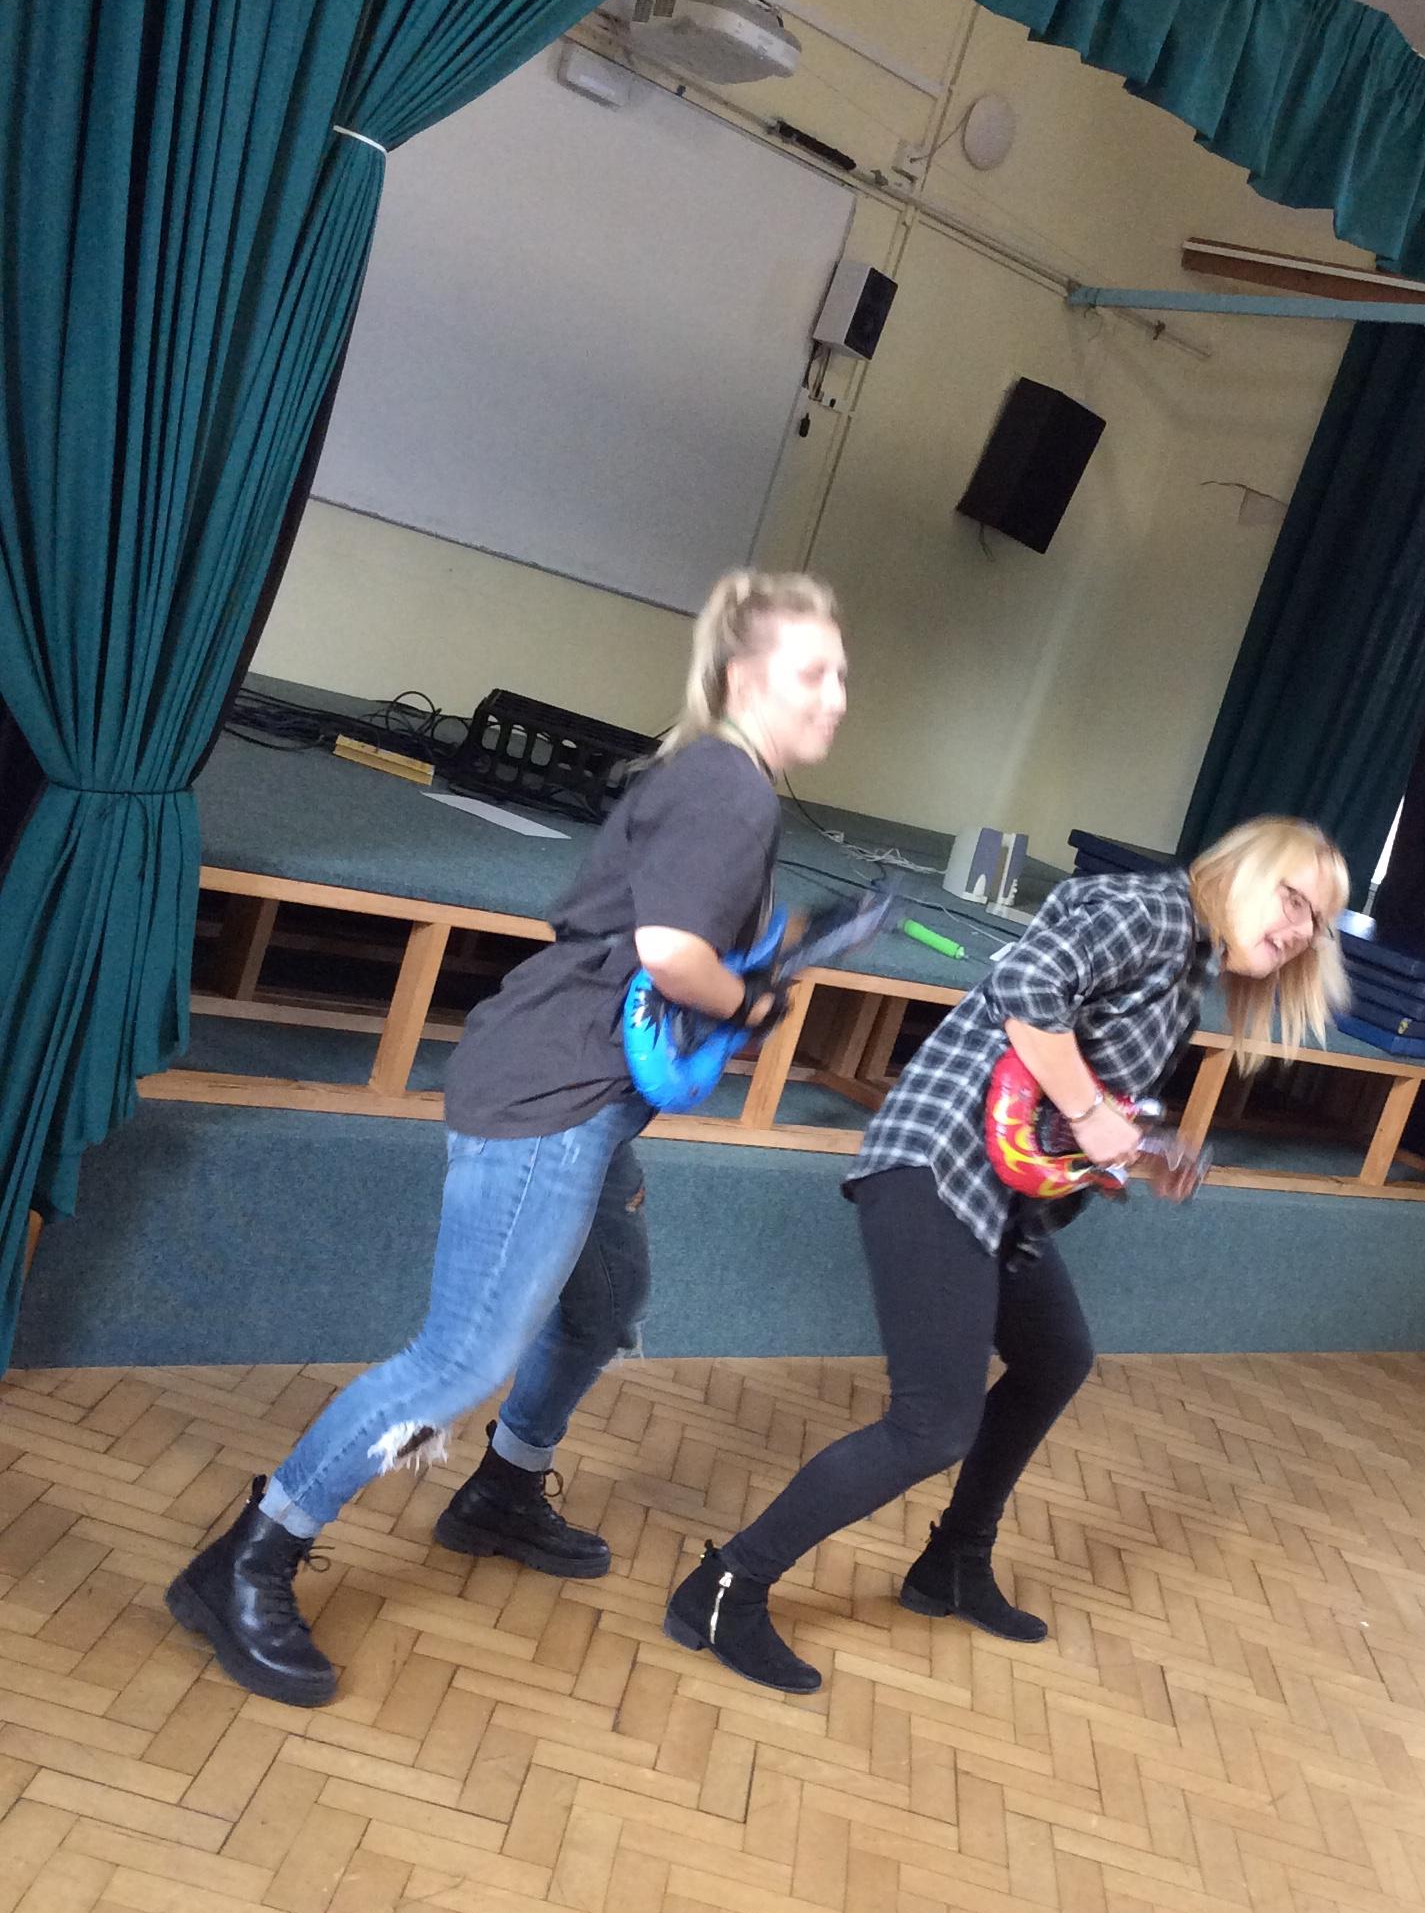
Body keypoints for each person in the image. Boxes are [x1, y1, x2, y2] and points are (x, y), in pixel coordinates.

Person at [166, 570, 848, 1708]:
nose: (835, 697)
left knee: (602, 1303)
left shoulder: (715, 779)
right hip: (553, 1097)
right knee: (461, 1360)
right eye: (813, 673)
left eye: (840, 675)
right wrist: (752, 1001)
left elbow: (655, 951)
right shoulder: (728, 786)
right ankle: (245, 1559)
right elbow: (674, 956)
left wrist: (743, 981)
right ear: (744, 678)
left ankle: (501, 1491)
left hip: (583, 1094)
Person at [664, 816, 1350, 1693]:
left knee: (1056, 1356)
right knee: (932, 1425)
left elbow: (1062, 1102)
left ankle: (951, 1562)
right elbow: (1028, 989)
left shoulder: (1186, 969)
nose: (1298, 929)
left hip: (1000, 1196)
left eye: (1316, 922)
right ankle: (725, 1588)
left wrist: (1141, 1149)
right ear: (1242, 870)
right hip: (937, 1166)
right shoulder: (1152, 911)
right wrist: (1096, 1118)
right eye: (1293, 899)